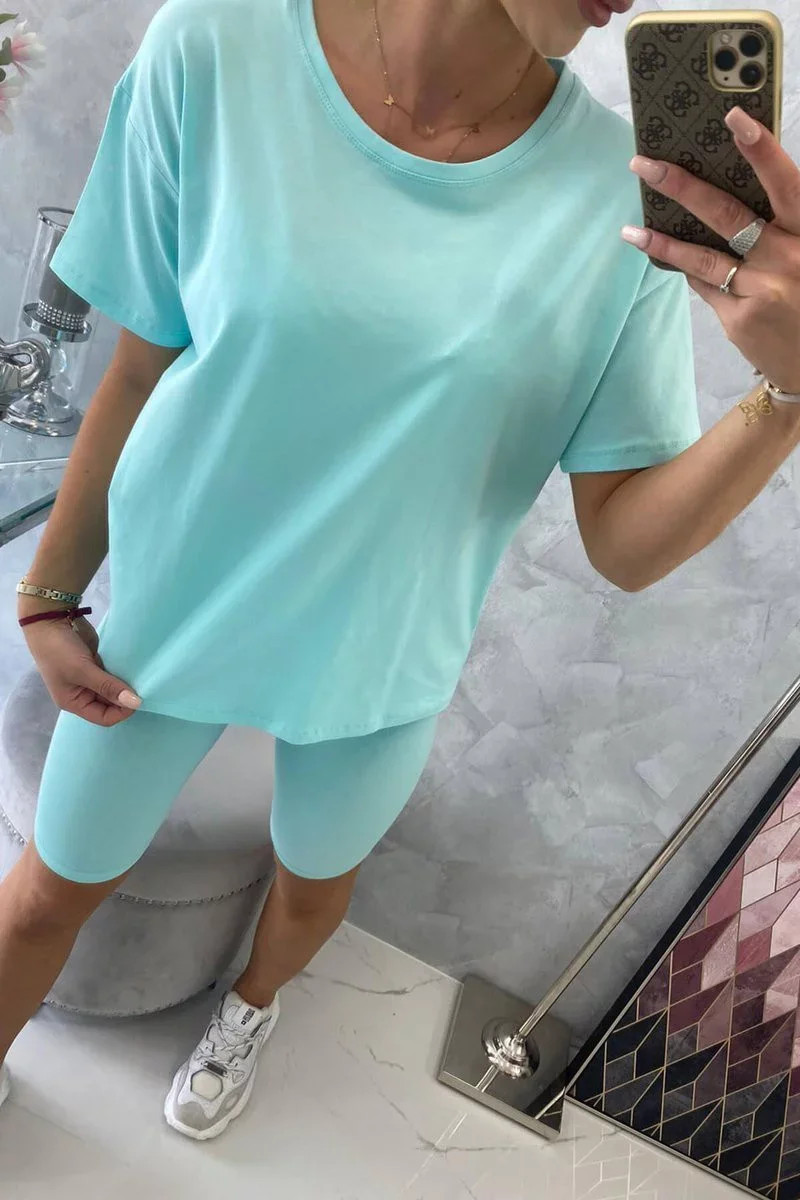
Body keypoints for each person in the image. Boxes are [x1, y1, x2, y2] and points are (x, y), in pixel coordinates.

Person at [2, 0, 799, 1142]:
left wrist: (787, 393)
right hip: (174, 617)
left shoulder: (616, 192)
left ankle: (249, 1009)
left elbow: (625, 546)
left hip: (381, 653)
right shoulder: (219, 45)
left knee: (314, 883)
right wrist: (48, 593)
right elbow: (140, 360)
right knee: (47, 892)